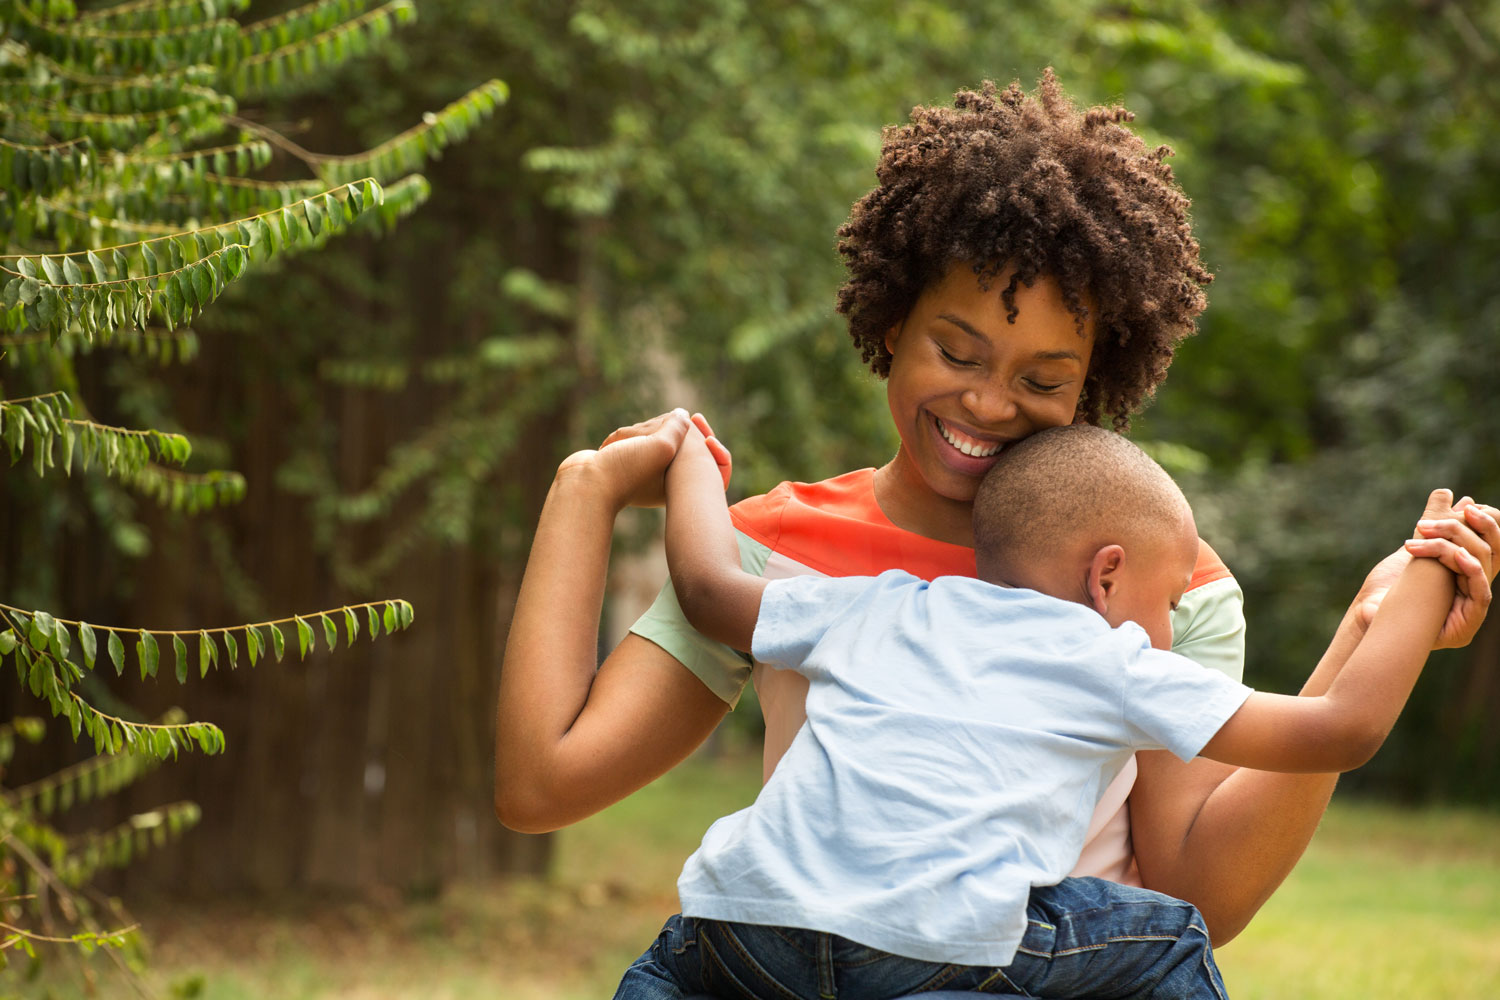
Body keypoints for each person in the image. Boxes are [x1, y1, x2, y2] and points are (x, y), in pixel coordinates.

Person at [493, 71, 1498, 957]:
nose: (986, 403)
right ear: (894, 322)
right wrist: (582, 489)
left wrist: (1363, 632)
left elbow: (1199, 890)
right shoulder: (775, 547)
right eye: (957, 351)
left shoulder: (1165, 578)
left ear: (1094, 381)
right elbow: (543, 785)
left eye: (1042, 378)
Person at [609, 420, 1458, 999]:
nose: (1168, 626)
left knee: (668, 964)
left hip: (745, 929)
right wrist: (1424, 574)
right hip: (933, 945)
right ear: (1107, 575)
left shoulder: (879, 602)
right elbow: (1342, 728)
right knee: (1172, 937)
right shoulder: (1107, 657)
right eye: (1166, 598)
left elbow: (711, 590)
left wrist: (689, 458)